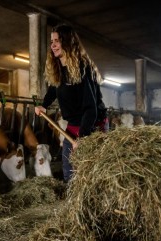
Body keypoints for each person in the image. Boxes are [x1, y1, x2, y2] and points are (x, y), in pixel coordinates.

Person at [35, 24, 108, 183]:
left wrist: (83, 138)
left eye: (57, 41)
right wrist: (44, 105)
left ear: (68, 42)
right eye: (52, 41)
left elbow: (91, 108)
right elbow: (54, 88)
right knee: (68, 169)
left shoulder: (83, 68)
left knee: (91, 170)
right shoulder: (59, 68)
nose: (53, 45)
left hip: (93, 124)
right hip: (74, 123)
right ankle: (72, 204)